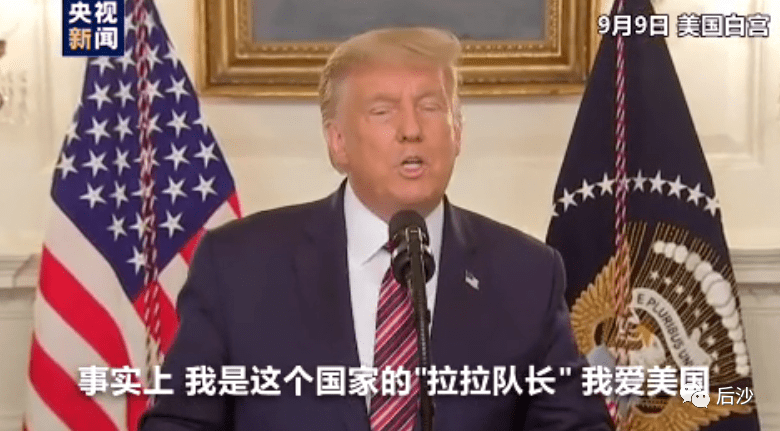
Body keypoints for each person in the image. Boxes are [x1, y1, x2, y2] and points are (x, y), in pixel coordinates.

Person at [139, 27, 613, 431]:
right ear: (337, 142)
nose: (411, 129)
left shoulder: (527, 274)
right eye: (383, 111)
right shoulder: (238, 266)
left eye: (431, 106)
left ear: (458, 131)